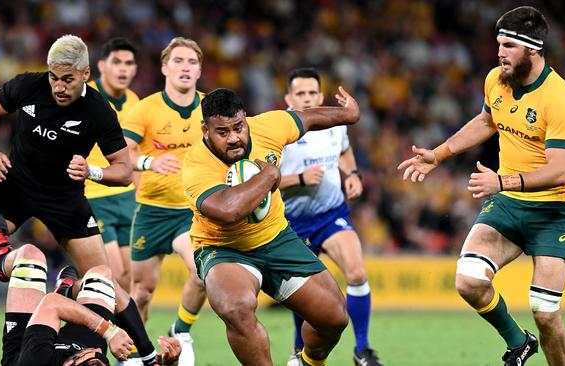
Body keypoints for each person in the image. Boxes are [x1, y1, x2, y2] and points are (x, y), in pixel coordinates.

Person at [0, 35, 160, 365]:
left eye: (67, 79)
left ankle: (147, 355)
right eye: (54, 77)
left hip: (64, 198)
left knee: (105, 280)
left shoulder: (98, 111)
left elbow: (123, 171)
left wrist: (92, 172)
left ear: (86, 74)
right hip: (15, 184)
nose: (59, 86)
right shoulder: (28, 86)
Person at [397, 6, 565, 366]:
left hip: (554, 209)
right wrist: (440, 154)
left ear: (533, 49)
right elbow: (485, 120)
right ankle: (518, 341)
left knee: (544, 310)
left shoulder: (560, 98)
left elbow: (559, 170)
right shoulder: (496, 79)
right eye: (498, 44)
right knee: (469, 281)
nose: (499, 52)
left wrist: (501, 180)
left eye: (508, 45)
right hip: (509, 202)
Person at [181, 86, 361, 366]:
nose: (234, 138)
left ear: (246, 119)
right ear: (205, 129)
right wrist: (270, 175)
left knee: (334, 317)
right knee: (235, 307)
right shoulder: (195, 164)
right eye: (223, 132)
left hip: (277, 238)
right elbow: (228, 210)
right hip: (224, 248)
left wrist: (348, 114)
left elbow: (308, 117)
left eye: (238, 127)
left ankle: (306, 362)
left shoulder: (269, 126)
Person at [279, 68, 382, 366]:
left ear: (321, 96)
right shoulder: (280, 130)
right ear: (288, 98)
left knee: (357, 272)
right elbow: (262, 179)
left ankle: (362, 349)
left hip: (330, 215)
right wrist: (298, 178)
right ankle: (299, 351)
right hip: (292, 224)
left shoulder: (335, 124)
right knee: (303, 293)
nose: (308, 97)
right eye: (300, 93)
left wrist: (352, 174)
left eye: (312, 92)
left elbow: (344, 152)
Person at [0, 212, 180, 366]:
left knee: (30, 256)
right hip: (73, 344)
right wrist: (156, 360)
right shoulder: (90, 357)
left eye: (87, 359)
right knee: (102, 276)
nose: (93, 354)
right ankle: (67, 293)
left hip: (26, 348)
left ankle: (0, 258)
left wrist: (110, 332)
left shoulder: (37, 359)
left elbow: (51, 303)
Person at [121, 37, 206, 366]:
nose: (185, 67)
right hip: (152, 211)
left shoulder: (210, 107)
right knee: (141, 291)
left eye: (192, 62)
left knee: (202, 271)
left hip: (191, 212)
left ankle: (181, 329)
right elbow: (124, 154)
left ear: (199, 70)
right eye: (179, 61)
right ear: (164, 67)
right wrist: (149, 163)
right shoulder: (144, 109)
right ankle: (135, 355)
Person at [85, 37, 140, 291]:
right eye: (116, 62)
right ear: (102, 66)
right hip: (94, 194)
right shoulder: (86, 97)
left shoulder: (135, 102)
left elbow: (134, 152)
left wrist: (140, 195)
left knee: (129, 274)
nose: (123, 69)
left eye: (128, 63)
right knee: (113, 271)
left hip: (127, 196)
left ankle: (122, 330)